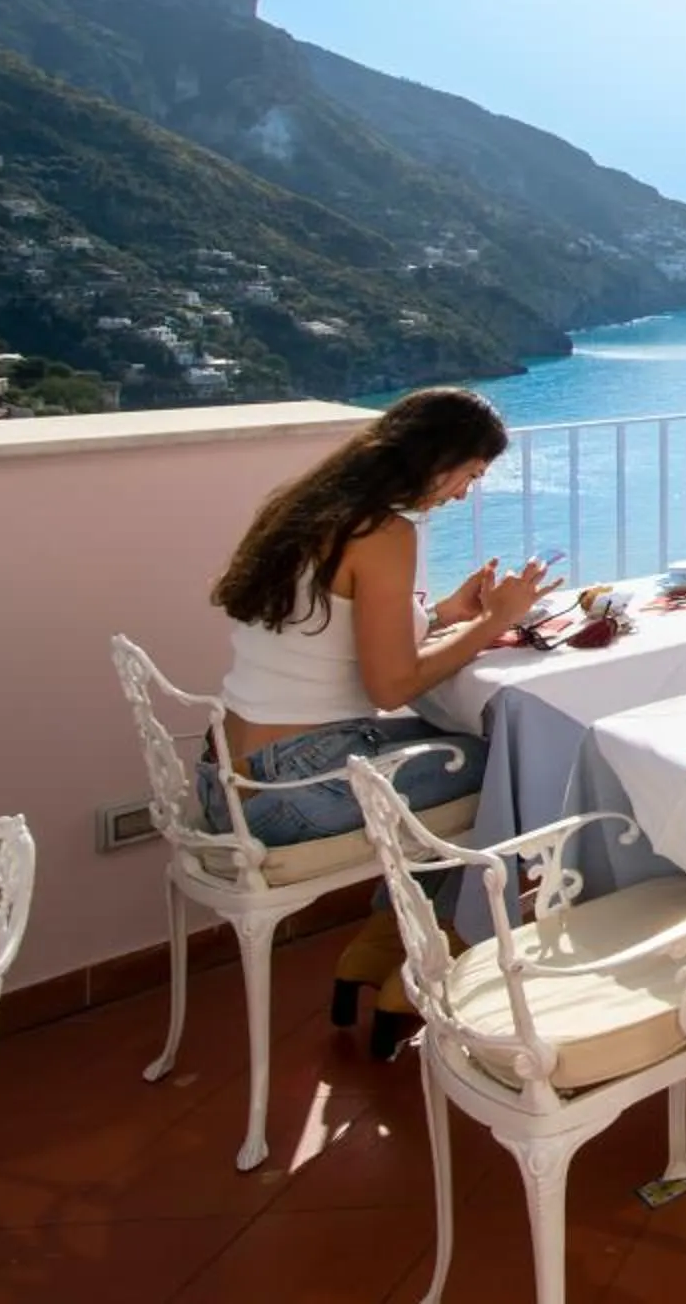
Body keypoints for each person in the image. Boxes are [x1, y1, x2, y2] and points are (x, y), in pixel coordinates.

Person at [205, 385, 548, 1049]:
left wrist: (445, 616)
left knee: (457, 754)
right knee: (508, 766)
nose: (462, 496)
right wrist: (498, 623)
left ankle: (377, 945)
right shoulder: (385, 533)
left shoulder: (312, 506)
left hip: (230, 772)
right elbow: (391, 683)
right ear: (438, 458)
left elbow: (333, 633)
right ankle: (432, 964)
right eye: (469, 477)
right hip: (295, 789)